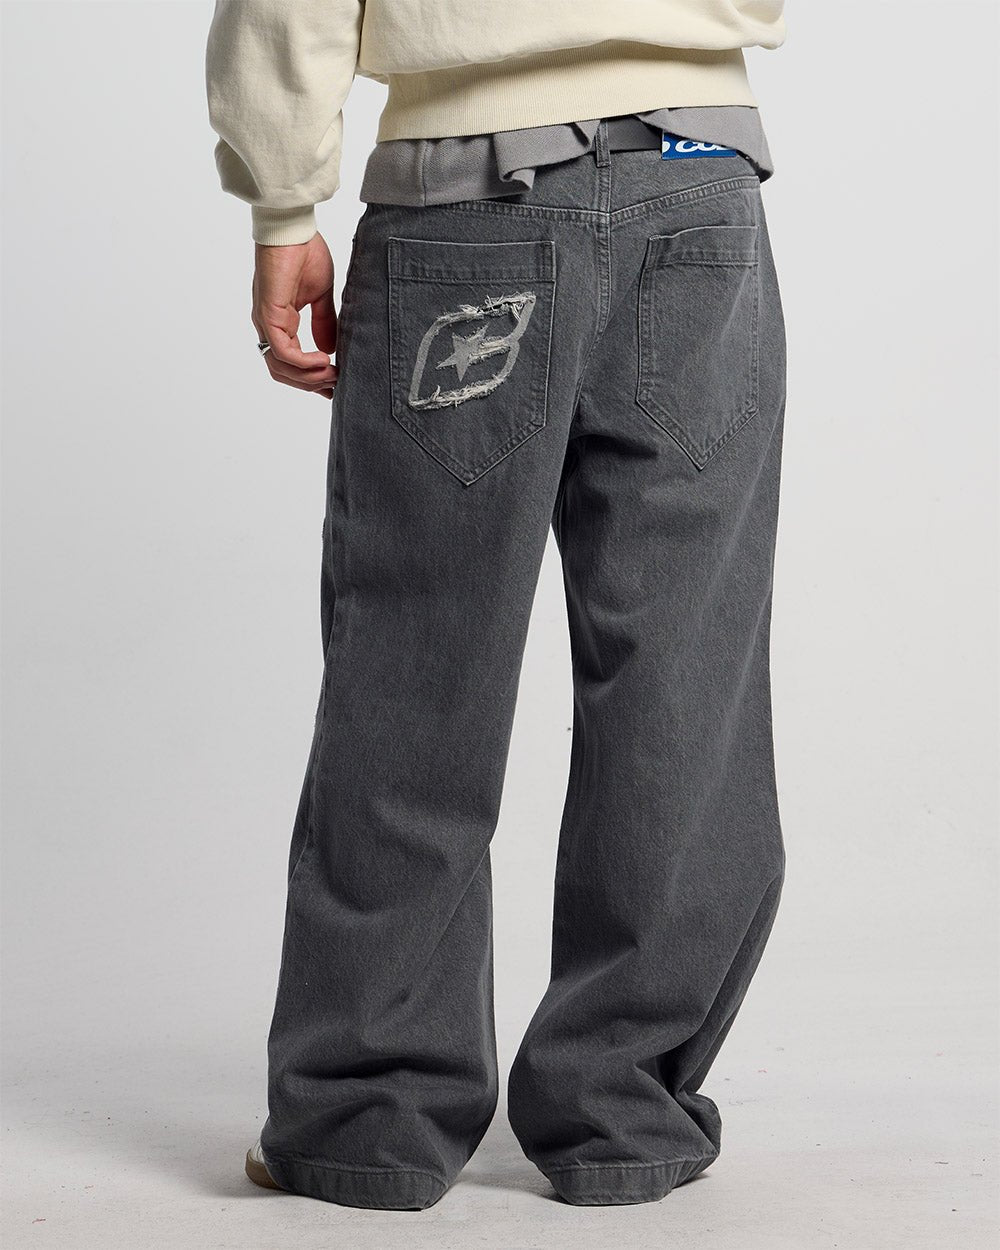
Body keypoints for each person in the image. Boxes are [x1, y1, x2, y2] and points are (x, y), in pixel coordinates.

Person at [205, 0, 788, 1212]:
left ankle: (370, 1114)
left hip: (465, 203)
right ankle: (623, 1107)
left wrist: (281, 203)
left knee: (416, 664)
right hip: (698, 183)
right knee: (683, 670)